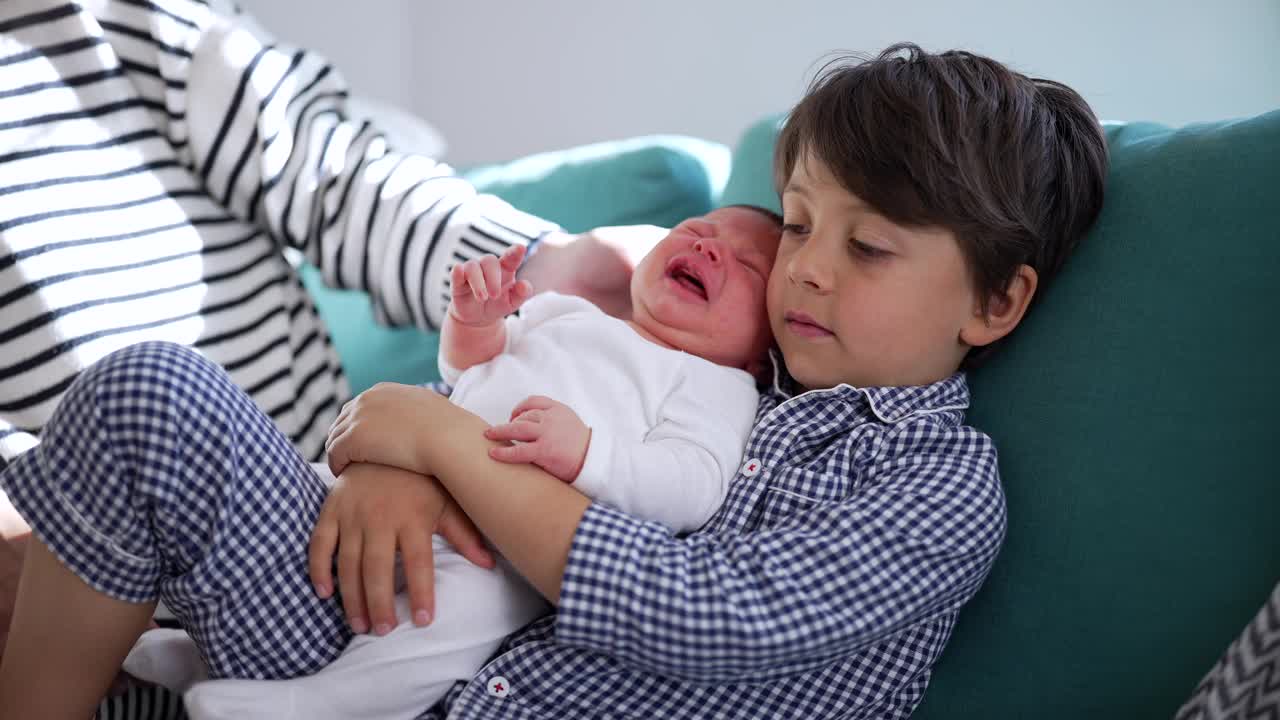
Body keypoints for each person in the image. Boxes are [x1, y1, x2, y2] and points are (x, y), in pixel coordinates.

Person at [0, 43, 1111, 720]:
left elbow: (700, 615)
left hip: (419, 684)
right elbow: (537, 364)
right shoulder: (725, 359)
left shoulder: (935, 488)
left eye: (865, 249)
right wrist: (396, 449)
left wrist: (436, 446)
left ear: (993, 303)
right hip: (388, 624)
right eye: (802, 222)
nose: (802, 269)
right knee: (145, 396)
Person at [0, 0, 650, 692]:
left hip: (316, 514)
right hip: (67, 570)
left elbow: (330, 173)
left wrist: (540, 267)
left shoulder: (116, 19)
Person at [114, 205, 782, 719]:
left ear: (762, 353)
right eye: (697, 228)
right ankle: (202, 647)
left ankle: (326, 704)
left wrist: (589, 456)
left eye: (747, 266)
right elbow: (467, 372)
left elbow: (693, 487)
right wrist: (475, 322)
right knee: (299, 508)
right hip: (414, 473)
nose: (706, 246)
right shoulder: (568, 314)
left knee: (446, 626)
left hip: (504, 545)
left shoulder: (717, 385)